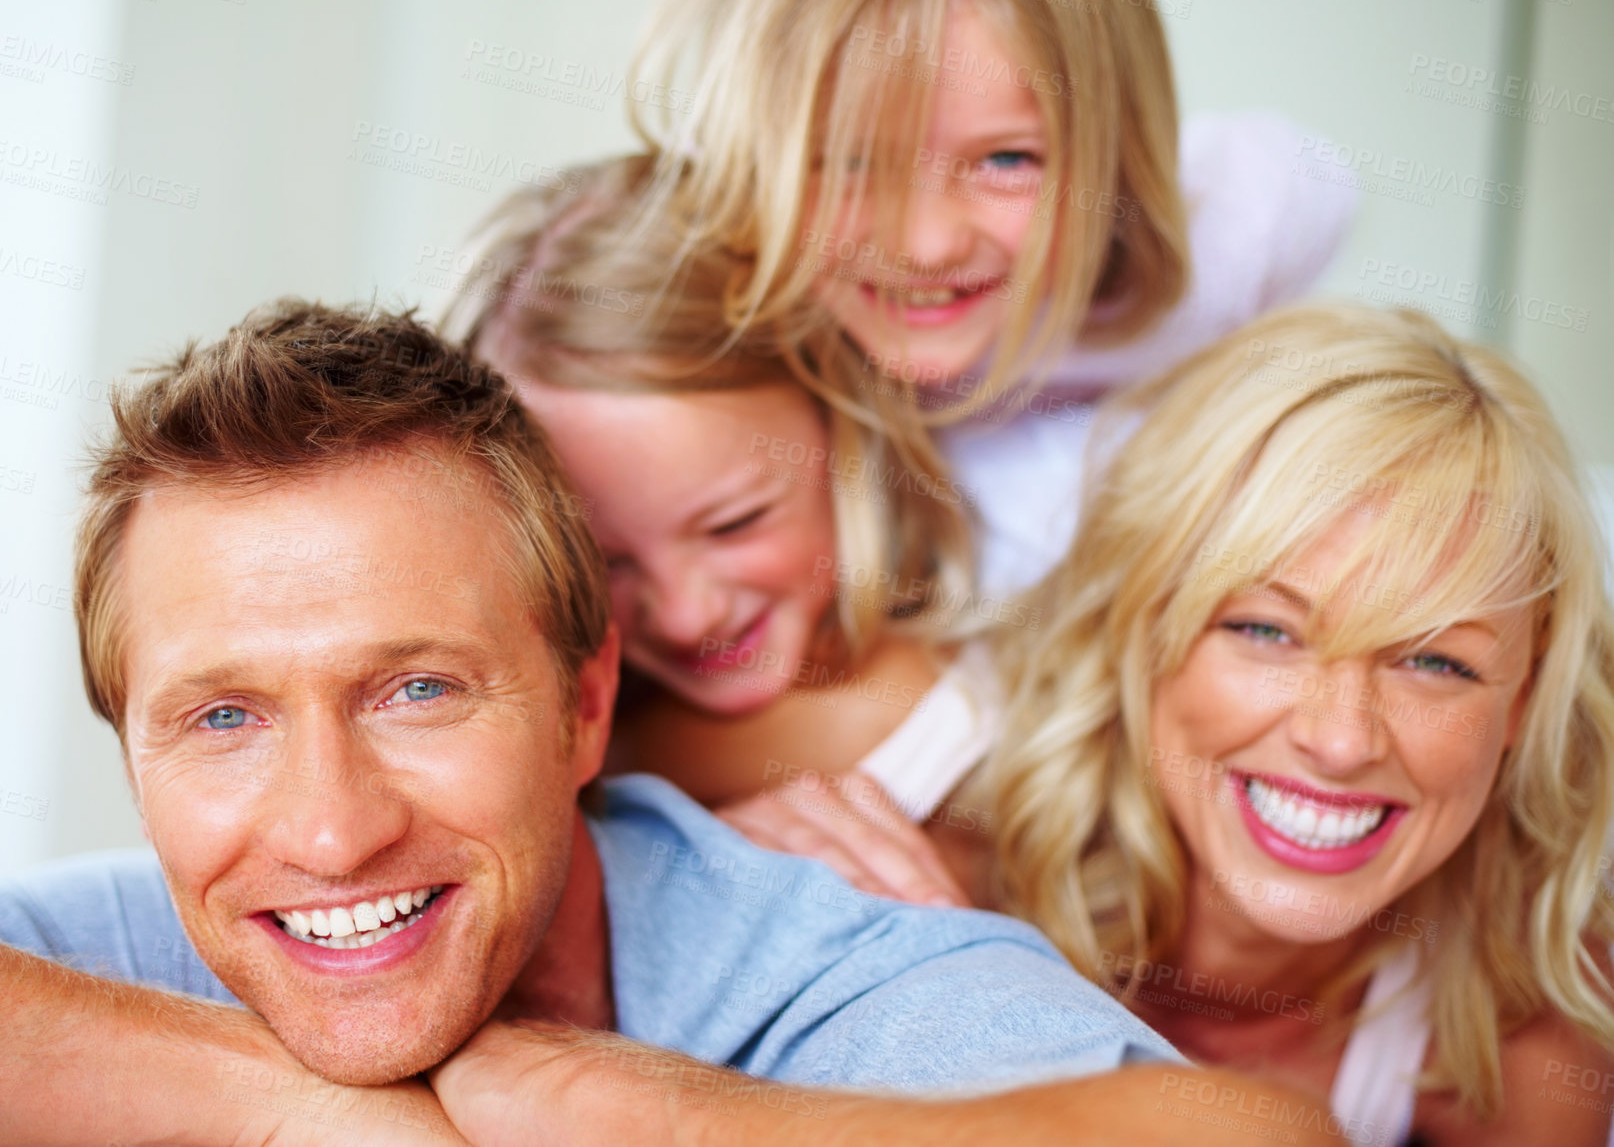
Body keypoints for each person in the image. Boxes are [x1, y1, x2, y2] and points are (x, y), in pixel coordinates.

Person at [0, 301, 1338, 1146]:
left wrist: (614, 1103)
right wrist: (290, 1108)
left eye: (418, 690)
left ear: (588, 704)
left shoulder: (824, 976)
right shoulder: (134, 952)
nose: (332, 829)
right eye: (223, 716)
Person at [742, 304, 1614, 1144]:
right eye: (1265, 630)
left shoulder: (1522, 1039)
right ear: (1141, 627)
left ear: (1521, 705)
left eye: (1434, 662)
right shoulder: (902, 737)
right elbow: (602, 759)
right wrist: (692, 855)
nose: (1343, 740)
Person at [630, 0, 1357, 594]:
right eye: (850, 162)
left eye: (1007, 160)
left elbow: (1312, 185)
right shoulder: (709, 270)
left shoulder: (1240, 228)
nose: (925, 245)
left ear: (1116, 156)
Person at [445, 156, 998, 896]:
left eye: (735, 524)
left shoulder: (915, 709)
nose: (685, 613)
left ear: (845, 431)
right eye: (605, 562)